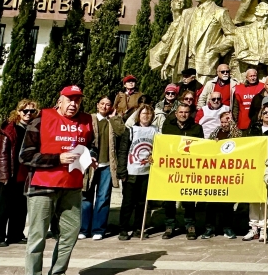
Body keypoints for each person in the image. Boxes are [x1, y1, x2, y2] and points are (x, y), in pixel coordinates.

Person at [20, 85, 97, 275]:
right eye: (69, 99)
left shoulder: (86, 121)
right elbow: (25, 156)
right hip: (42, 186)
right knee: (37, 236)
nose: (73, 104)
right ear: (60, 101)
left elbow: (90, 145)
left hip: (72, 186)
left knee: (71, 233)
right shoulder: (41, 119)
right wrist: (57, 159)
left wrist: (90, 157)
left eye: (77, 100)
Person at [0, 99, 37, 247]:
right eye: (25, 111)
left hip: (25, 173)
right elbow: (2, 154)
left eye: (32, 111)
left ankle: (15, 235)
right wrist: (4, 175)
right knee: (3, 206)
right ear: (18, 112)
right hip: (10, 173)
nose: (28, 114)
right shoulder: (10, 129)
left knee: (21, 206)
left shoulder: (32, 129)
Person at [80, 96, 123, 241]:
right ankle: (84, 228)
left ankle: (98, 229)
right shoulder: (89, 119)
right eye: (102, 104)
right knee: (86, 195)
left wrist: (114, 118)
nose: (105, 106)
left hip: (107, 165)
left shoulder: (113, 121)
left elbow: (121, 132)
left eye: (108, 104)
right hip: (90, 164)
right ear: (97, 105)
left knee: (103, 197)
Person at [160, 103, 205, 240]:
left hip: (188, 170)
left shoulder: (196, 128)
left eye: (186, 112)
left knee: (189, 199)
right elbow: (162, 146)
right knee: (169, 200)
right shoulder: (168, 127)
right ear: (176, 114)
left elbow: (201, 148)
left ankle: (190, 226)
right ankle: (169, 226)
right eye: (181, 112)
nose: (183, 114)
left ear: (189, 114)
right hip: (171, 169)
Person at [242, 101, 268, 242]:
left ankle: (264, 227)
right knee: (254, 198)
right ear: (261, 115)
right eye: (265, 112)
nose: (267, 115)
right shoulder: (252, 129)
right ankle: (253, 227)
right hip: (254, 166)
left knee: (267, 198)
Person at [116, 104, 156, 241]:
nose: (146, 116)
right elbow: (123, 151)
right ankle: (123, 229)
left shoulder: (155, 131)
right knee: (128, 202)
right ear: (139, 115)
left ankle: (138, 228)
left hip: (147, 172)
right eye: (143, 113)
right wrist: (122, 171)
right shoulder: (131, 130)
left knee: (142, 203)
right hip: (131, 172)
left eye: (149, 114)